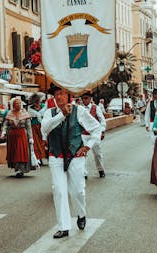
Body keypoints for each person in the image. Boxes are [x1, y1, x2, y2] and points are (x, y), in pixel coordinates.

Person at [41, 85, 102, 239]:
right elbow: (45, 128)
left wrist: (87, 146)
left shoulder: (79, 111)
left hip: (75, 155)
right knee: (59, 191)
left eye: (62, 94)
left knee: (78, 191)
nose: (59, 97)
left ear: (69, 96)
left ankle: (81, 214)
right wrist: (62, 115)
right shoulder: (50, 112)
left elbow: (97, 128)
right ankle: (64, 226)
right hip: (56, 156)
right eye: (57, 94)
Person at [1, 97, 35, 177]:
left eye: (19, 103)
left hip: (22, 134)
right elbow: (5, 124)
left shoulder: (25, 113)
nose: (18, 105)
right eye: (16, 103)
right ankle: (17, 169)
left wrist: (31, 137)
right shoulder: (9, 113)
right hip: (12, 135)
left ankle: (21, 169)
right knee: (14, 152)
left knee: (21, 152)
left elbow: (28, 126)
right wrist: (4, 132)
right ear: (13, 105)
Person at [81, 91, 106, 178]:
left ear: (90, 99)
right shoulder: (80, 109)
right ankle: (84, 173)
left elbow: (102, 120)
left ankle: (100, 169)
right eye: (83, 98)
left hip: (94, 135)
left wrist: (102, 131)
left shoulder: (96, 108)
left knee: (97, 153)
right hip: (83, 134)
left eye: (86, 98)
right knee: (83, 154)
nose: (84, 100)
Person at [27, 93, 47, 165]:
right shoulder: (30, 109)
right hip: (34, 126)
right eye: (35, 102)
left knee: (44, 141)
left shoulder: (44, 107)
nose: (37, 104)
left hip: (43, 126)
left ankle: (45, 156)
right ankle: (38, 158)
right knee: (36, 143)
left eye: (37, 102)